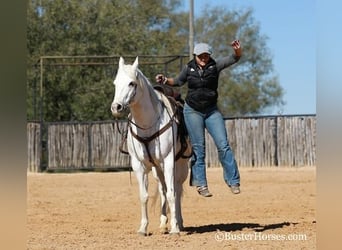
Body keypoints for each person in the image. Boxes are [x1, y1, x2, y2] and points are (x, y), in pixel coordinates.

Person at [155, 40, 242, 197]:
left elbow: (234, 59)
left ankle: (233, 181)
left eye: (206, 55)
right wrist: (165, 80)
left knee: (223, 145)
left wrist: (237, 51)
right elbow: (178, 81)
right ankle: (201, 184)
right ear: (195, 55)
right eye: (200, 55)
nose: (203, 58)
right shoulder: (188, 68)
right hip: (193, 111)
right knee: (198, 148)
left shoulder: (215, 65)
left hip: (211, 111)